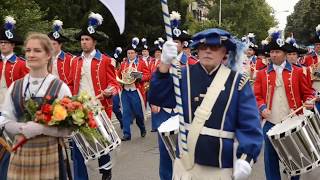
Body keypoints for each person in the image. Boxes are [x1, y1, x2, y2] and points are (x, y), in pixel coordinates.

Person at [149, 28, 263, 180]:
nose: (208, 51)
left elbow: (249, 123)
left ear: (224, 52)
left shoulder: (237, 82)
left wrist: (246, 157)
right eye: (203, 47)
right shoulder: (183, 76)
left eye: (214, 47)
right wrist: (163, 66)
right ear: (198, 51)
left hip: (221, 165)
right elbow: (158, 98)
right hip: (186, 164)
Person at [2, 32, 72, 179]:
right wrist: (21, 128)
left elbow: (68, 129)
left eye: (37, 50)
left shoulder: (60, 87)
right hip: (21, 152)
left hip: (50, 153)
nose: (31, 54)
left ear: (48, 55)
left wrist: (42, 129)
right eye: (28, 50)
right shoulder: (16, 86)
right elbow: (5, 119)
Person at [254, 27, 315, 180]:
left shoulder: (298, 71)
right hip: (270, 122)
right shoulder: (262, 74)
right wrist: (262, 108)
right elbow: (257, 95)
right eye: (272, 52)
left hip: (293, 121)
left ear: (285, 54)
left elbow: (308, 93)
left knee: (295, 157)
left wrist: (309, 101)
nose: (274, 55)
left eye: (277, 52)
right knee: (270, 159)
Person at [69, 12, 120, 180]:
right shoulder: (75, 61)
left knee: (102, 140)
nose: (84, 42)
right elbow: (70, 83)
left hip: (99, 106)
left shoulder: (105, 60)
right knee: (82, 142)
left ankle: (106, 170)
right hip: (80, 107)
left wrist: (109, 91)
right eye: (82, 39)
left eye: (87, 39)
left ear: (94, 42)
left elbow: (114, 83)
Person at [0, 15, 29, 179]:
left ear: (12, 45)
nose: (3, 45)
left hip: (11, 113)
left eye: (6, 43)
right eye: (1, 42)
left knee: (9, 149)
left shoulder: (20, 63)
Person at [117, 37, 151, 141]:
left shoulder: (141, 63)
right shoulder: (123, 64)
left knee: (138, 114)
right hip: (125, 91)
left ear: (136, 53)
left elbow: (148, 75)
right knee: (126, 112)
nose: (130, 55)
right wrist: (120, 81)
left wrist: (139, 77)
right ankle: (127, 134)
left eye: (132, 53)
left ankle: (142, 127)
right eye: (128, 53)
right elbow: (118, 75)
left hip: (136, 91)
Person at [47, 19, 73, 84]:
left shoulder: (69, 59)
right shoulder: (45, 58)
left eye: (54, 44)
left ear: (60, 44)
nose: (51, 46)